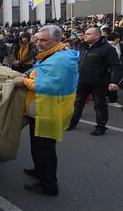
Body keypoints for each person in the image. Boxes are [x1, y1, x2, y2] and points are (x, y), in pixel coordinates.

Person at [13, 25, 79, 196]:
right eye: (38, 39)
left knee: (46, 150)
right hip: (40, 109)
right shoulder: (50, 55)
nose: (39, 43)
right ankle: (38, 171)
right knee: (36, 145)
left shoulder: (61, 59)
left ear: (57, 40)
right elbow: (37, 71)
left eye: (44, 40)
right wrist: (25, 75)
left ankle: (49, 185)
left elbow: (49, 85)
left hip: (49, 111)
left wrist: (24, 82)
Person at [67, 27, 123, 136]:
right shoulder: (83, 46)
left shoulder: (107, 49)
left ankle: (101, 127)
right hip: (82, 81)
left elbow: (116, 66)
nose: (85, 35)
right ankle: (71, 123)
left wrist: (114, 81)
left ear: (97, 36)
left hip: (98, 82)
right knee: (77, 103)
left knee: (99, 105)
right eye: (85, 33)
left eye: (88, 34)